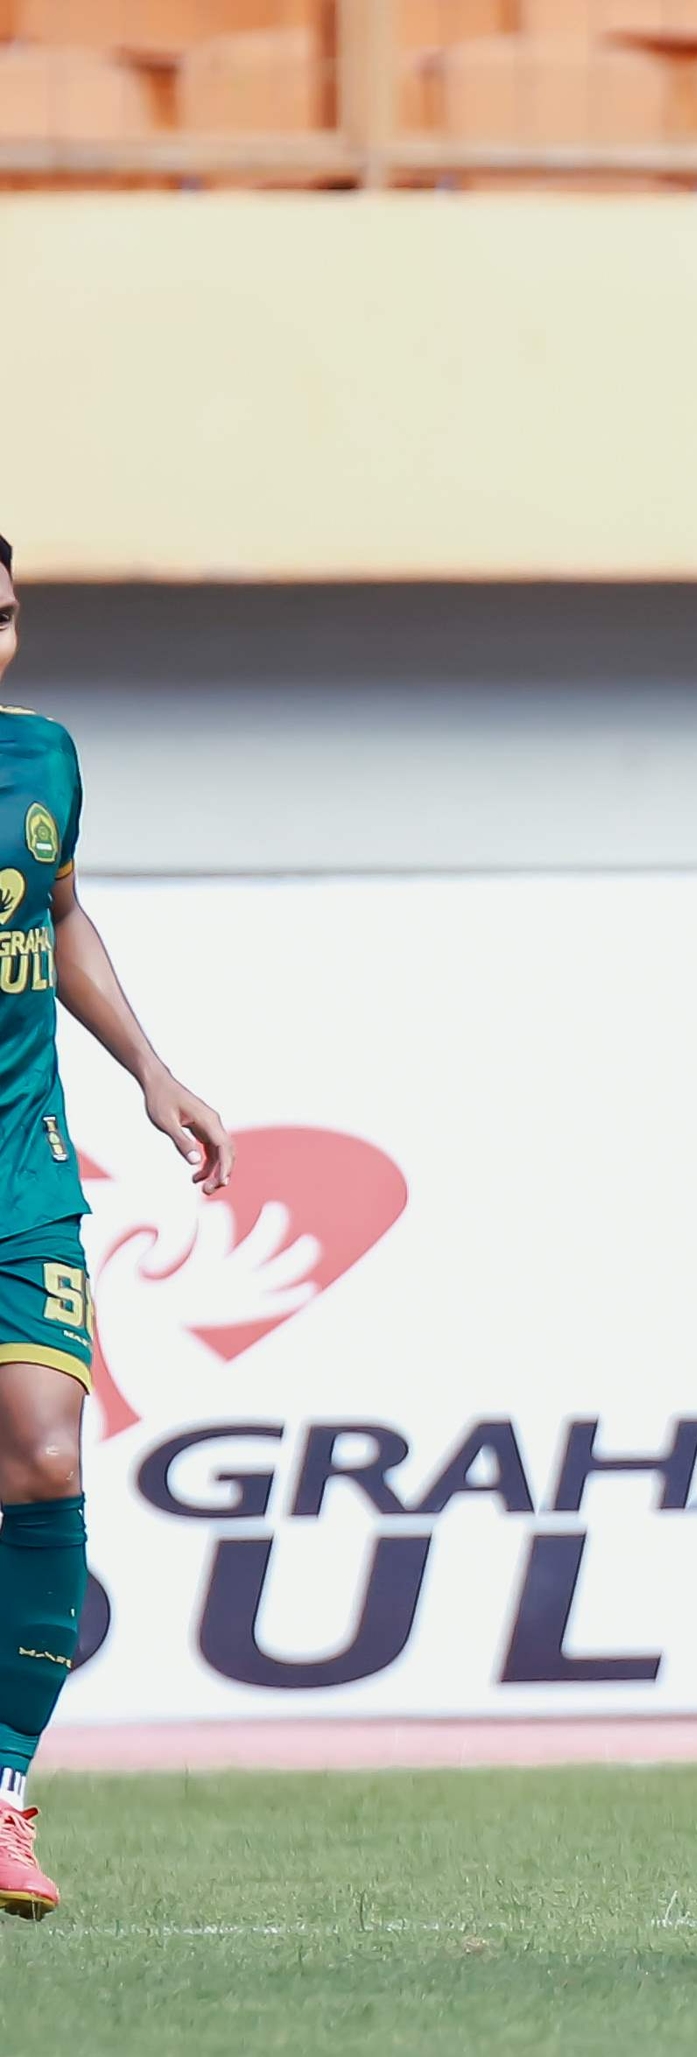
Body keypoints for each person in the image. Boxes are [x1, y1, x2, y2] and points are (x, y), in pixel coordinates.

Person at [0, 535, 239, 1921]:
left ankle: (5, 1797)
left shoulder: (44, 758)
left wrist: (152, 1072)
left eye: (9, 618)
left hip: (21, 1173)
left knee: (42, 1455)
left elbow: (63, 913)